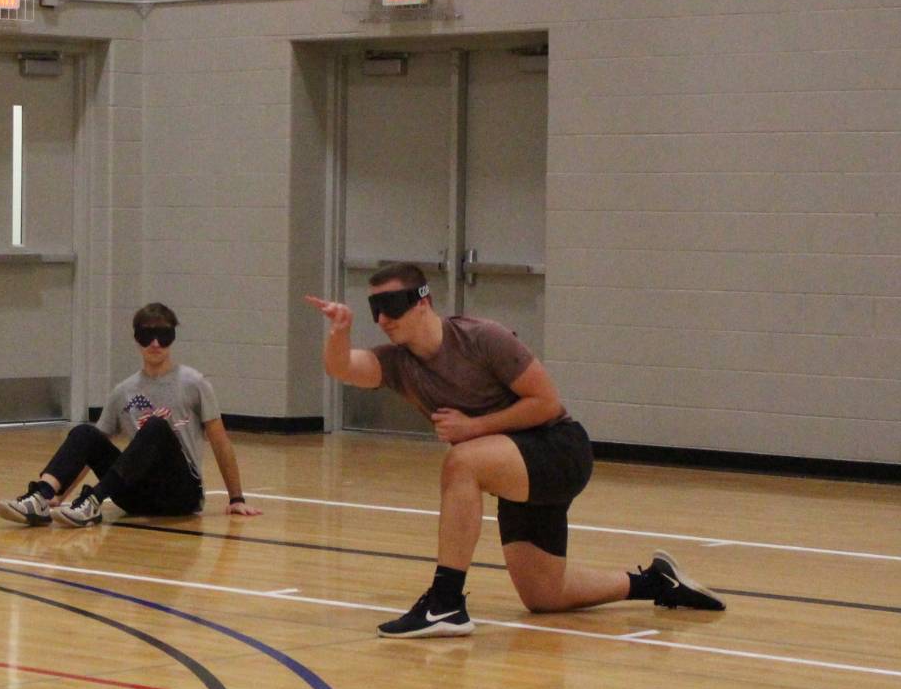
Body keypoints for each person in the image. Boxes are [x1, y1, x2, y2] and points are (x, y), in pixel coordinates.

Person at [303, 264, 722, 638]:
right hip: (512, 464)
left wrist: (473, 427)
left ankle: (445, 602)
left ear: (423, 301)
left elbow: (547, 403)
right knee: (544, 595)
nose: (383, 319)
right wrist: (340, 332)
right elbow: (343, 368)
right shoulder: (398, 363)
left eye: (392, 306)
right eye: (375, 309)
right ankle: (655, 582)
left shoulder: (480, 337)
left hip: (557, 449)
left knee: (462, 462)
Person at [0, 303, 264, 528]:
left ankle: (93, 501)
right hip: (135, 495)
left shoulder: (194, 383)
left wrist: (236, 498)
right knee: (84, 432)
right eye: (148, 336)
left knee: (156, 426)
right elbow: (89, 452)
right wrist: (61, 496)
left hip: (180, 494)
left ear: (172, 338)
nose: (156, 343)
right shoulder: (123, 391)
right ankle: (41, 497)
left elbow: (220, 442)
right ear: (137, 339)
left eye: (163, 335)